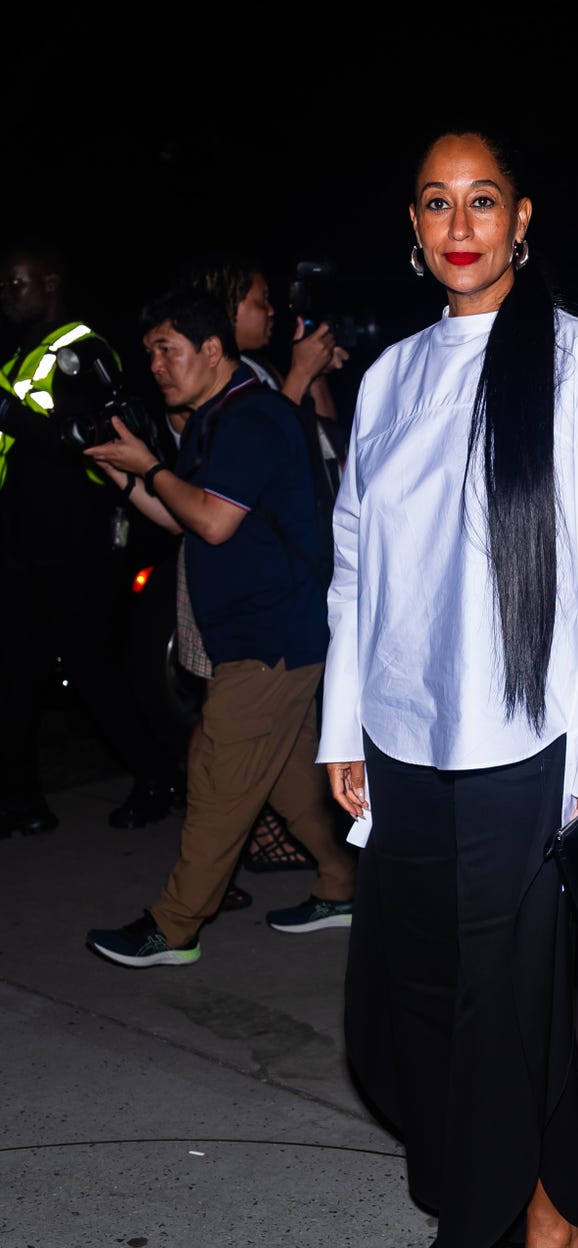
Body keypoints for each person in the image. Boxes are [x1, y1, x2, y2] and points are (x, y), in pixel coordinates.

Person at [318, 127, 578, 1248]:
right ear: (412, 228)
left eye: (483, 200)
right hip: (404, 743)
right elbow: (356, 563)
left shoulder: (575, 361)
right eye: (436, 203)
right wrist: (344, 719)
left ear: (520, 218)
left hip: (528, 745)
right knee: (407, 1007)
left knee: (517, 1014)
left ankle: (553, 1223)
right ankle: (478, 1195)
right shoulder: (389, 374)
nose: (461, 224)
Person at [82, 286, 357, 967]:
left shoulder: (252, 420)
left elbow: (212, 519)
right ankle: (343, 882)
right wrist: (125, 474)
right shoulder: (214, 420)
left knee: (216, 778)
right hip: (264, 638)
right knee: (291, 775)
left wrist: (150, 466)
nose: (156, 366)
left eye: (168, 351)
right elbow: (180, 514)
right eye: (149, 353)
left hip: (272, 639)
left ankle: (175, 926)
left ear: (212, 349)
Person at [170, 254, 352, 880]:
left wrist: (313, 372)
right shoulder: (209, 385)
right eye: (257, 300)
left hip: (278, 594)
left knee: (256, 747)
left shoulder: (254, 378)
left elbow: (319, 442)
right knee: (239, 737)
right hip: (235, 588)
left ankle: (327, 875)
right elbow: (235, 480)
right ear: (223, 316)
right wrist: (298, 376)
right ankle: (201, 894)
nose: (270, 311)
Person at [0, 238, 185, 837]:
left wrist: (13, 416)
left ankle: (157, 774)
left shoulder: (81, 350)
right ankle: (22, 799)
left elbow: (93, 436)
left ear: (51, 282)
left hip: (78, 538)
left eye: (18, 282)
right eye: (4, 285)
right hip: (20, 539)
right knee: (16, 670)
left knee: (89, 665)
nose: (7, 293)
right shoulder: (16, 354)